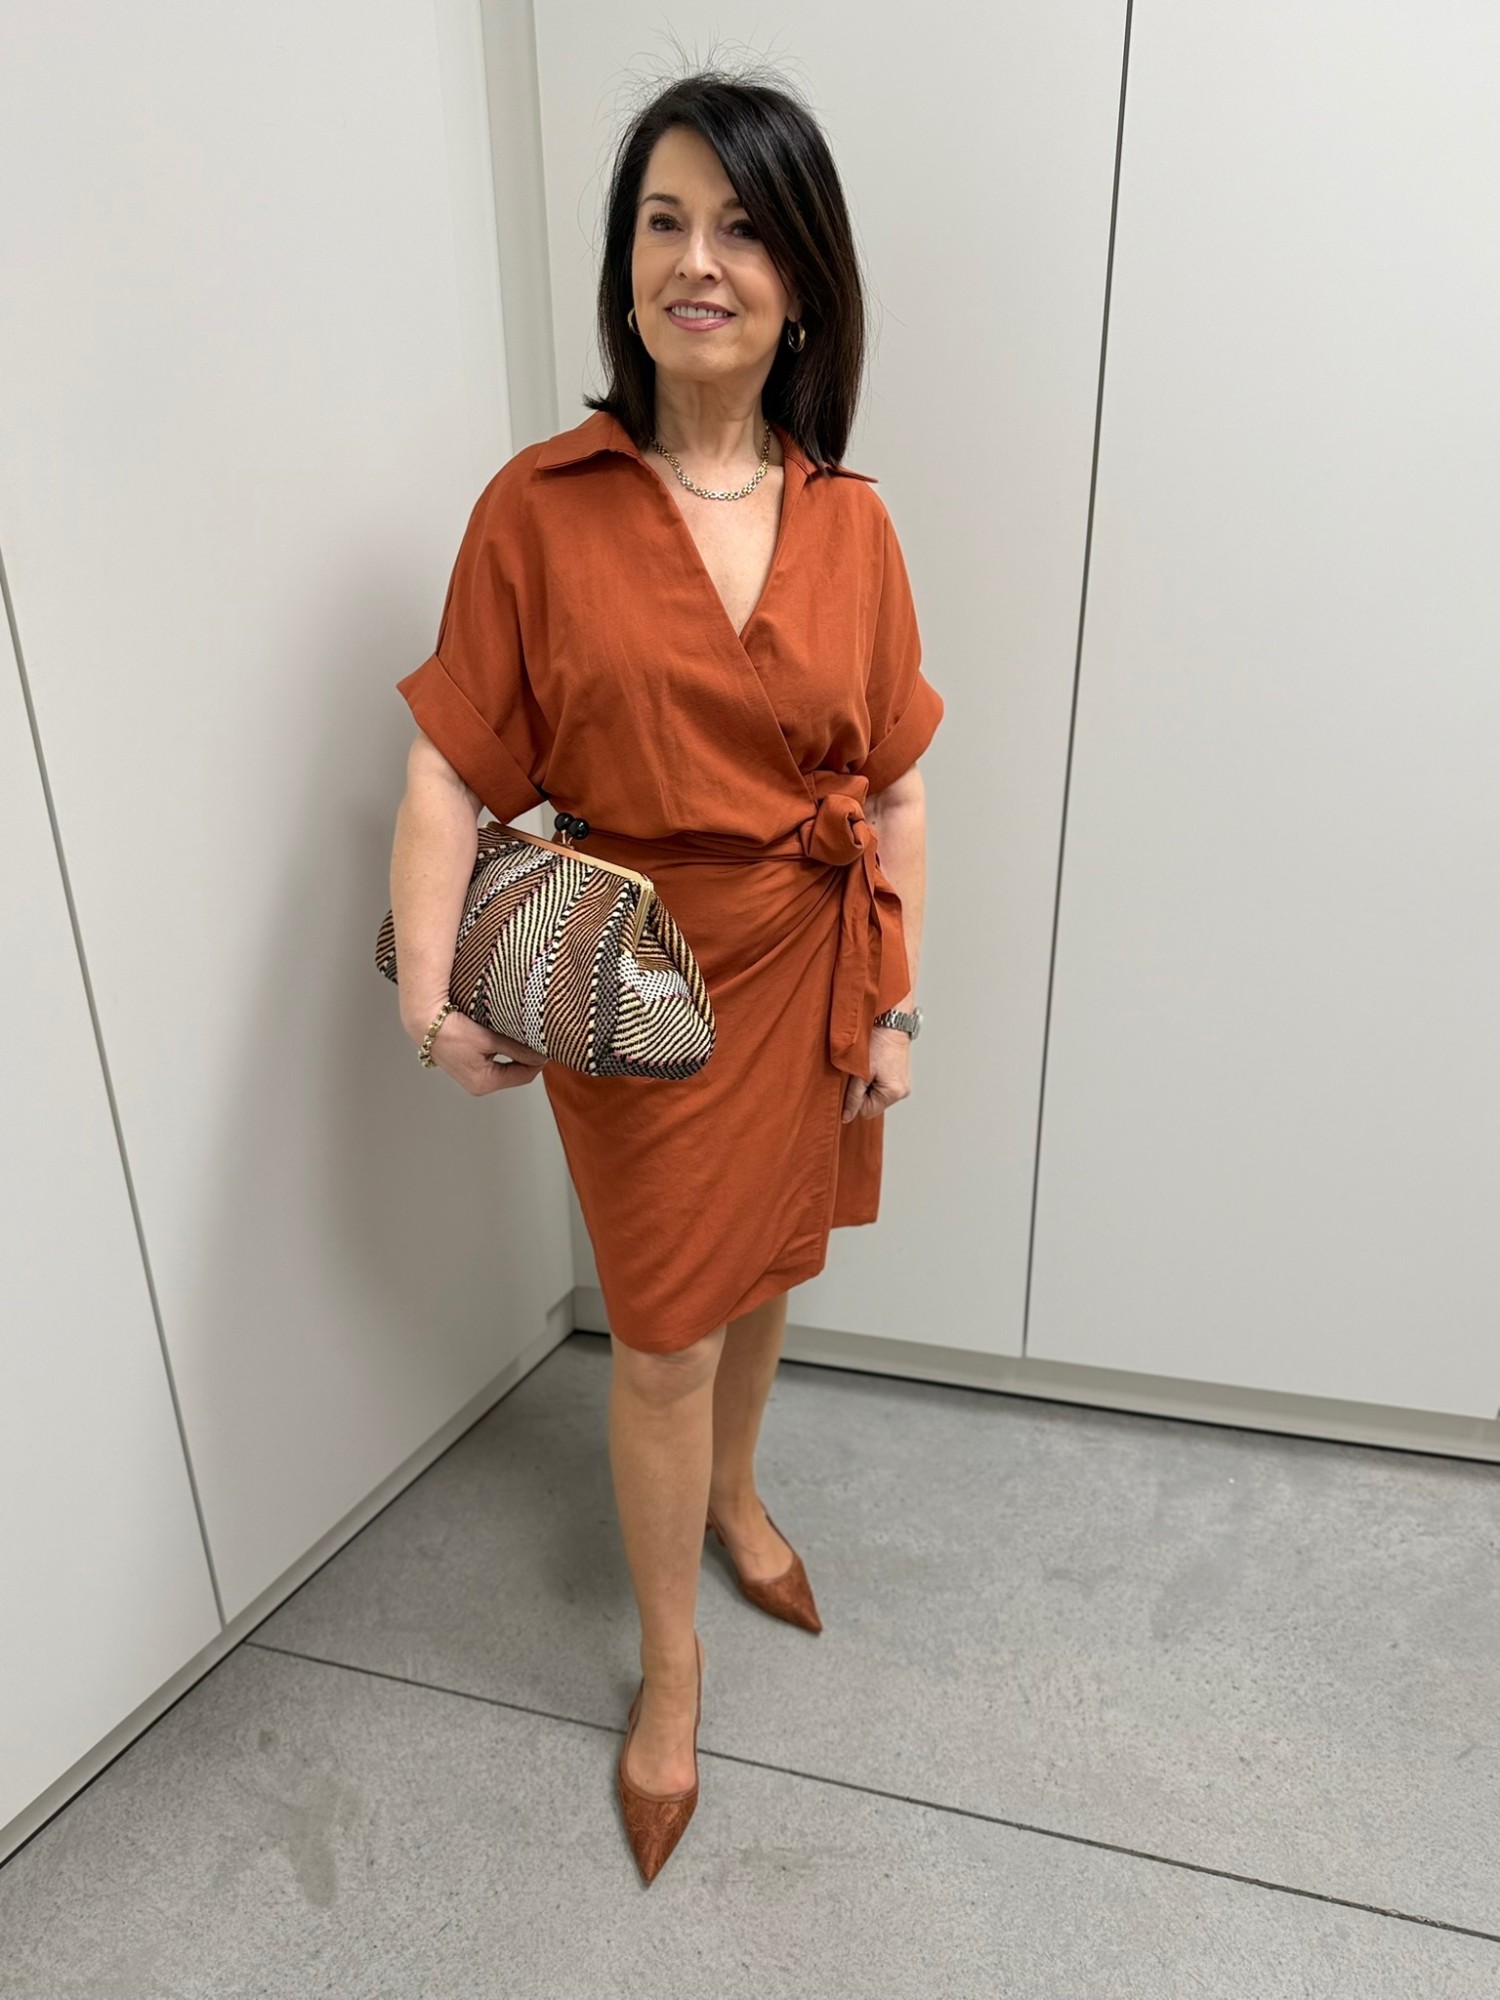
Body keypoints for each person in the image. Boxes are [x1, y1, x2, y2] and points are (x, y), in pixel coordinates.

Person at [387, 68, 943, 1884]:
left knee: (772, 1263)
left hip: (812, 960)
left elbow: (899, 784)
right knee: (662, 1329)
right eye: (664, 220)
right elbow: (451, 770)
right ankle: (673, 1671)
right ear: (626, 263)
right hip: (637, 991)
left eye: (745, 228)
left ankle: (736, 1494)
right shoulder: (539, 510)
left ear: (805, 284)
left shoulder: (855, 524)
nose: (700, 261)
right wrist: (429, 997)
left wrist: (894, 1005)